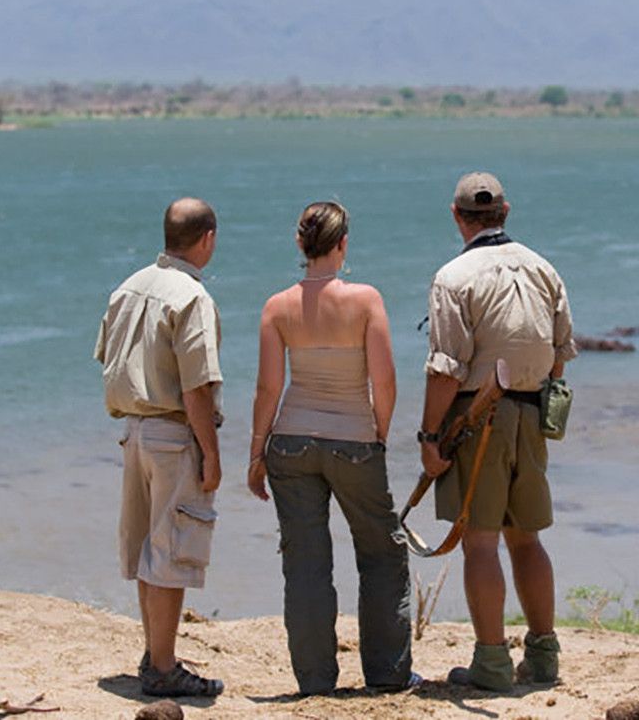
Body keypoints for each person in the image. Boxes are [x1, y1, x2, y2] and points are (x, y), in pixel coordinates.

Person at [247, 201, 415, 696]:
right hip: (354, 441)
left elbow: (267, 389)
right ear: (343, 245)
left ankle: (316, 683)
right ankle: (387, 674)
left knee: (305, 563)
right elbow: (384, 381)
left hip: (292, 444)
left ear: (300, 245)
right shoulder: (365, 301)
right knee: (382, 556)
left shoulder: (277, 306)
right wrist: (378, 433)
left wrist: (256, 454)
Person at [419, 172, 577, 691]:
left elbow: (446, 370)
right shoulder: (543, 268)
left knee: (480, 544)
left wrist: (429, 438)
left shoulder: (453, 277)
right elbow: (559, 357)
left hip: (478, 416)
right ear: (505, 210)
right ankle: (544, 655)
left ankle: (491, 662)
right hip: (532, 412)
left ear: (457, 215)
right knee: (527, 539)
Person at [94, 197, 225, 697]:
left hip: (134, 430)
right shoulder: (191, 297)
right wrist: (211, 453)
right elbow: (196, 387)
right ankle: (164, 667)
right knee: (172, 552)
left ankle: (156, 654)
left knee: (149, 549)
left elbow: (108, 357)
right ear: (207, 239)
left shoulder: (127, 287)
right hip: (173, 433)